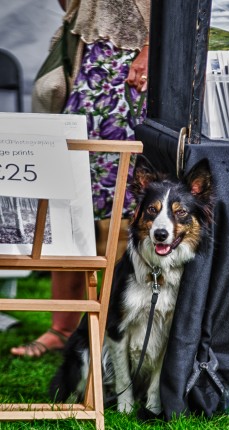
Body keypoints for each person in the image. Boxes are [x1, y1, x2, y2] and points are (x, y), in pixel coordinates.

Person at [10, 0, 150, 357]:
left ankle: (115, 331)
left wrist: (151, 50)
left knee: (128, 209)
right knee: (66, 202)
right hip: (88, 72)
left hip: (137, 75)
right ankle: (63, 326)